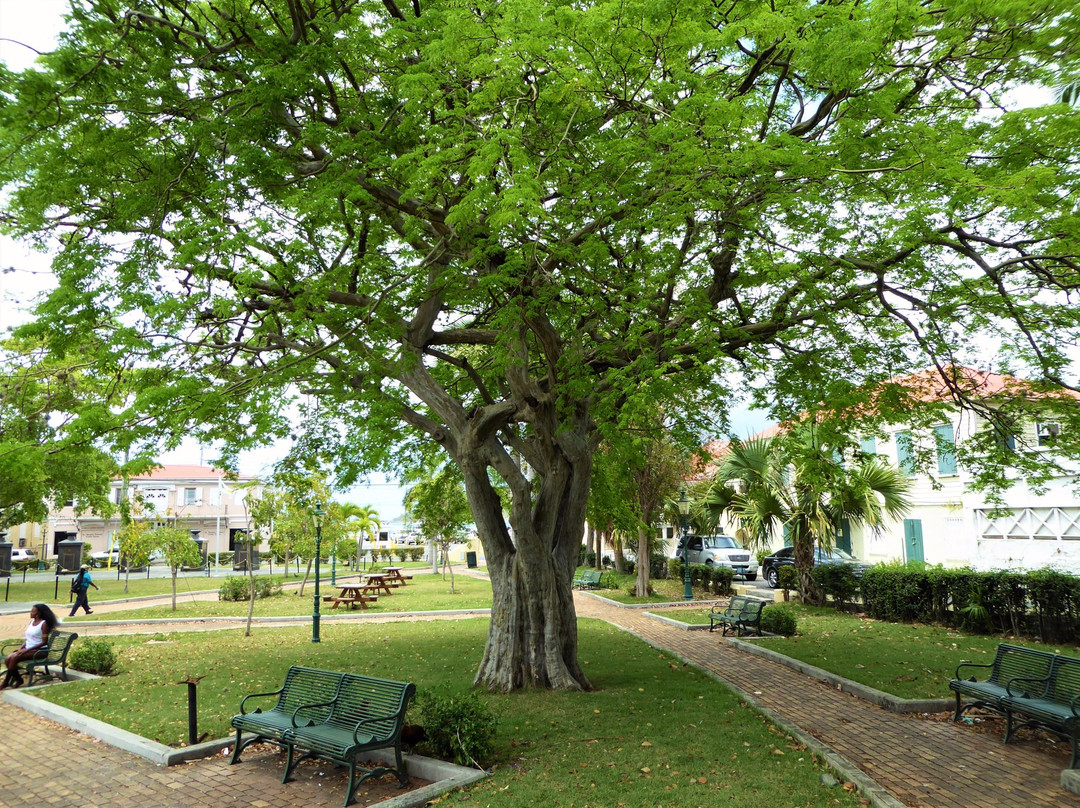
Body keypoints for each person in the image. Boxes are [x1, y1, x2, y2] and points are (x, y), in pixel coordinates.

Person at [1, 604, 58, 689]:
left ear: (38, 613)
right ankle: (19, 679)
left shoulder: (43, 624)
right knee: (8, 658)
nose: (30, 613)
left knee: (14, 658)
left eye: (32, 611)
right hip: (29, 650)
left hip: (40, 651)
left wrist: (26, 650)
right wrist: (21, 648)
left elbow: (44, 642)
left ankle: (5, 682)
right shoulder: (31, 623)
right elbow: (28, 639)